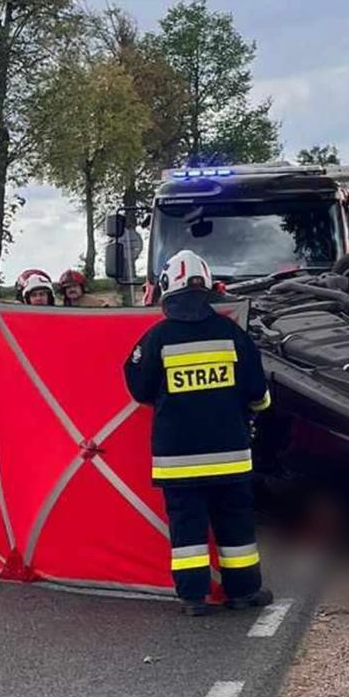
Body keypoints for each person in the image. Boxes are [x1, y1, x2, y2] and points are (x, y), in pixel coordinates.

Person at [124, 249, 273, 617]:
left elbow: (140, 389)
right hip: (230, 456)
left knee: (187, 531)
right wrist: (253, 408)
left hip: (178, 461)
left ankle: (194, 598)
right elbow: (258, 392)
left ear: (166, 291)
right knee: (235, 526)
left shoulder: (156, 339)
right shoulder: (232, 334)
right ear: (207, 289)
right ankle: (243, 592)